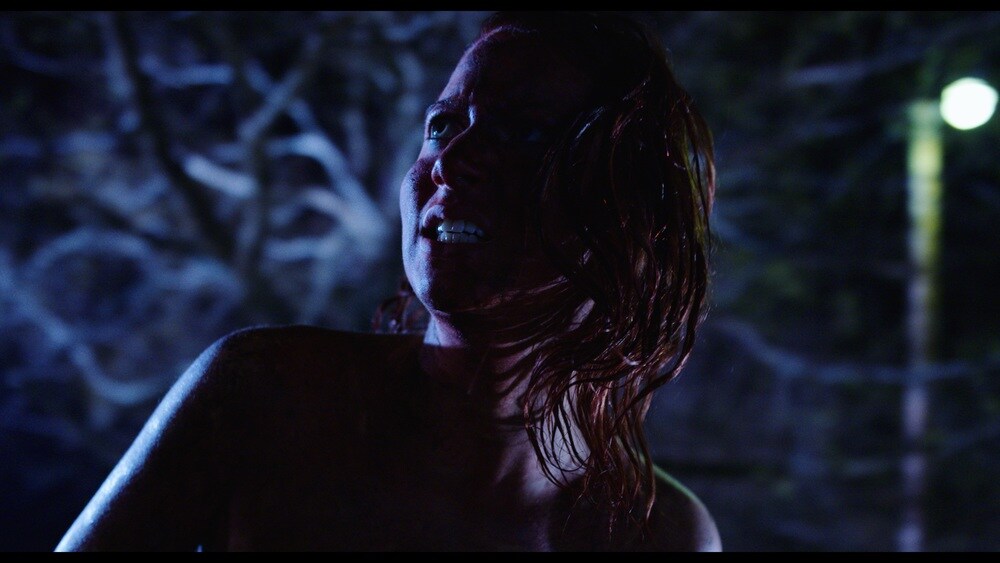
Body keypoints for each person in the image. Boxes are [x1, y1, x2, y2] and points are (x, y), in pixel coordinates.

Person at [55, 11, 720, 551]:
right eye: (442, 126)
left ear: (629, 216)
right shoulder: (264, 395)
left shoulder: (655, 536)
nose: (451, 161)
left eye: (522, 133)